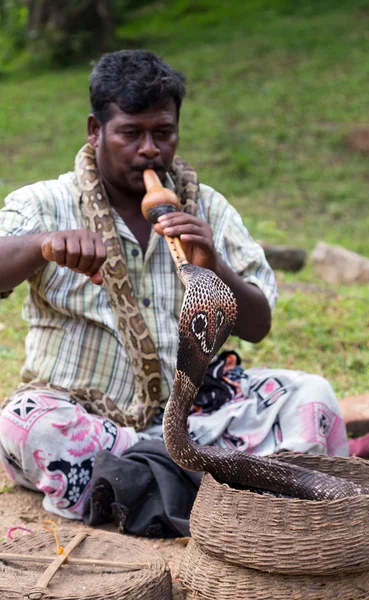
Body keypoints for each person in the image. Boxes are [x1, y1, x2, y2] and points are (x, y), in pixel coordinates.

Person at [0, 50, 349, 521]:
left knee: (312, 396)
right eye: (131, 133)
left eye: (163, 133)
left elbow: (258, 324)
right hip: (92, 422)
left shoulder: (206, 208)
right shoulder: (45, 203)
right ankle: (228, 487)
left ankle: (152, 485)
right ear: (94, 130)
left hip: (196, 418)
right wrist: (43, 244)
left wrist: (214, 266)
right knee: (28, 425)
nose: (150, 150)